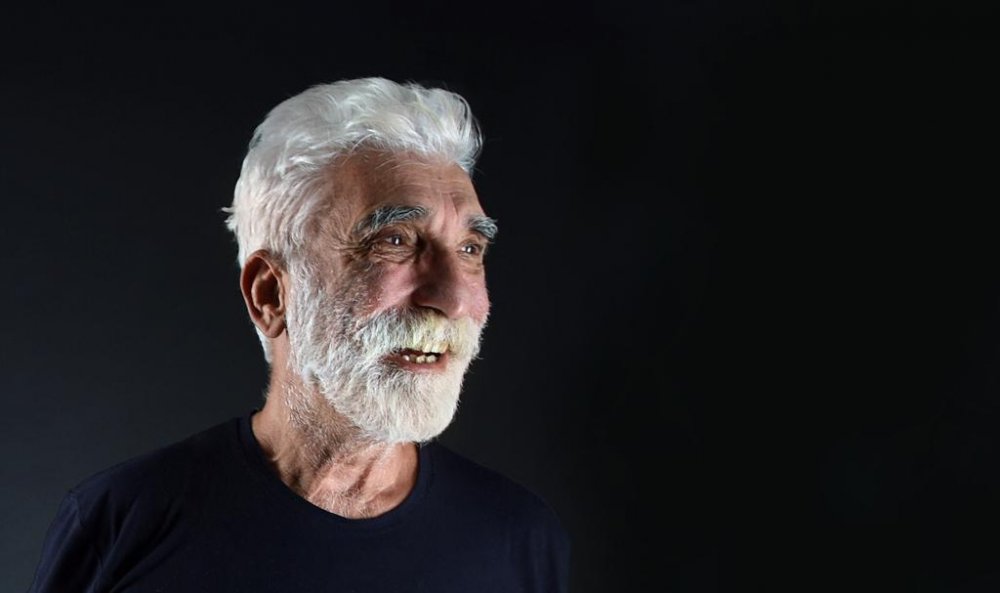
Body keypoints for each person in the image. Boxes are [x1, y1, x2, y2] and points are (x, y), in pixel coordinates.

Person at [29, 77, 570, 592]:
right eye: (395, 241)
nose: (453, 299)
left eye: (470, 249)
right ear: (270, 294)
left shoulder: (520, 540)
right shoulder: (120, 524)